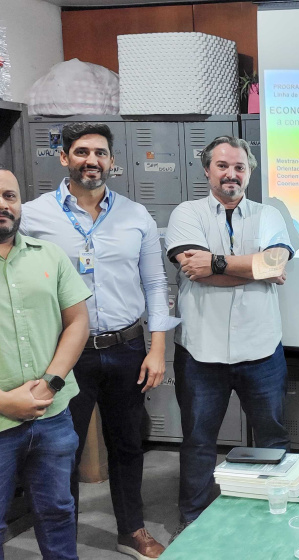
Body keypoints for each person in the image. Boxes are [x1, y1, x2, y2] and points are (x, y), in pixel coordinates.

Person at [21, 122, 178, 560]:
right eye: (83, 152)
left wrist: (157, 348)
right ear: (64, 157)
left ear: (112, 160)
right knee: (61, 450)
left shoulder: (135, 215)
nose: (93, 161)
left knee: (128, 444)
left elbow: (154, 283)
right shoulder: (34, 215)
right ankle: (61, 538)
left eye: (101, 153)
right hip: (65, 352)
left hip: (127, 347)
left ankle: (131, 530)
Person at [164, 136, 293, 540]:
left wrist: (217, 263)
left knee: (272, 437)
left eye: (239, 167)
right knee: (199, 441)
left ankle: (275, 508)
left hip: (261, 349)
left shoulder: (268, 214)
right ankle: (194, 520)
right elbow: (193, 270)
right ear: (207, 170)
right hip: (201, 351)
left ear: (249, 173)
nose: (231, 174)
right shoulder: (187, 213)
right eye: (222, 166)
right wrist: (255, 268)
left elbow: (276, 263)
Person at [0, 167, 91, 560]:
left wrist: (51, 383)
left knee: (58, 512)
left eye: (9, 196)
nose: (3, 205)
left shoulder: (48, 255)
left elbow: (77, 322)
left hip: (52, 416)